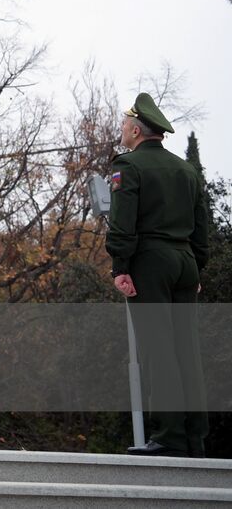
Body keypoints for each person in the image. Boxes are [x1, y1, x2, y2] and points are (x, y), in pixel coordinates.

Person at [108, 93, 210, 458]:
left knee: (158, 350)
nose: (122, 129)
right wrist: (197, 265)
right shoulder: (187, 170)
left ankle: (169, 437)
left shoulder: (128, 166)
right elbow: (201, 226)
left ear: (136, 131)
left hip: (151, 262)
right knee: (187, 352)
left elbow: (122, 223)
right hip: (185, 261)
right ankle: (195, 439)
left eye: (125, 124)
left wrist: (120, 266)